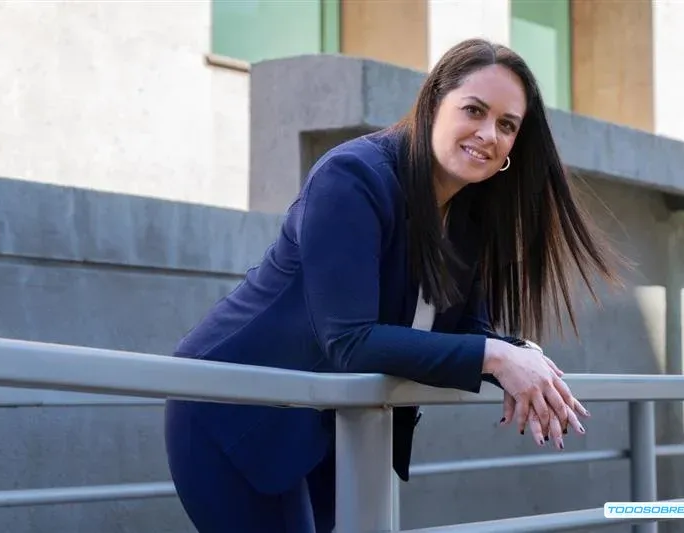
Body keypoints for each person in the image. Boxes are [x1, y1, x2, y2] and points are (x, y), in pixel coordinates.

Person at [164, 38, 624, 533]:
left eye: (507, 125)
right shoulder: (354, 178)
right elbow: (349, 340)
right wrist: (498, 357)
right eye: (474, 109)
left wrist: (524, 360)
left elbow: (470, 331)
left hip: (325, 425)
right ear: (433, 104)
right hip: (230, 411)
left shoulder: (470, 215)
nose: (489, 133)